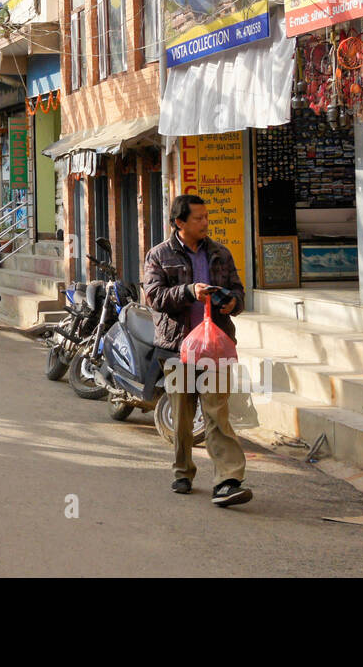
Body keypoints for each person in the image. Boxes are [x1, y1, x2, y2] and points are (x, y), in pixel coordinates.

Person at [141, 194, 251, 508]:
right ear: (180, 223)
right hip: (176, 349)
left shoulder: (220, 253)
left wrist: (233, 302)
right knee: (183, 418)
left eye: (206, 217)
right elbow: (155, 296)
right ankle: (183, 470)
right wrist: (189, 291)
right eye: (198, 218)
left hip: (214, 349)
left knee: (217, 415)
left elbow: (239, 290)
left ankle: (228, 480)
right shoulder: (159, 255)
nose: (205, 223)